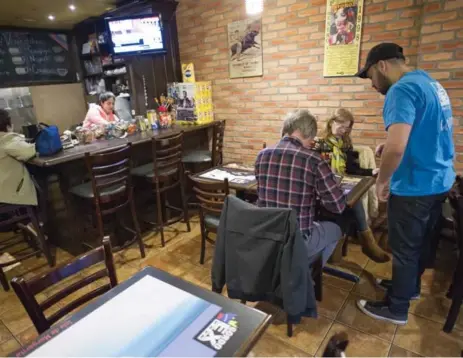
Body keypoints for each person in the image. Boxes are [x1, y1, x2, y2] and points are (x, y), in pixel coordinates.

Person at [355, 43, 455, 325]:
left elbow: (397, 149)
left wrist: (382, 181)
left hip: (415, 185)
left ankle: (396, 308)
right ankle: (408, 288)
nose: (372, 84)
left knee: (404, 248)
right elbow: (428, 130)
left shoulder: (400, 90)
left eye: (370, 76)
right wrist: (388, 144)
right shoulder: (429, 83)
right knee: (421, 244)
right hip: (439, 180)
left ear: (382, 66)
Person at [255, 109, 345, 265]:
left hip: (266, 235)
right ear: (307, 133)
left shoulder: (262, 155)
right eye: (311, 139)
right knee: (336, 229)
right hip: (297, 241)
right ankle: (307, 273)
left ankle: (293, 269)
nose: (311, 143)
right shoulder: (313, 160)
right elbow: (337, 206)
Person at [316, 108, 389, 263]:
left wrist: (371, 171)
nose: (343, 131)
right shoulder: (319, 143)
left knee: (350, 202)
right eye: (341, 126)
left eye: (347, 128)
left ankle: (342, 247)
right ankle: (366, 241)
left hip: (339, 183)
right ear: (331, 123)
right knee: (351, 203)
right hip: (322, 184)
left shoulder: (345, 143)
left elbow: (351, 169)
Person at [0, 109, 38, 206]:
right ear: (7, 124)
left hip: (3, 191)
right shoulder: (6, 139)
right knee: (40, 184)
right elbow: (29, 151)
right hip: (8, 194)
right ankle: (35, 220)